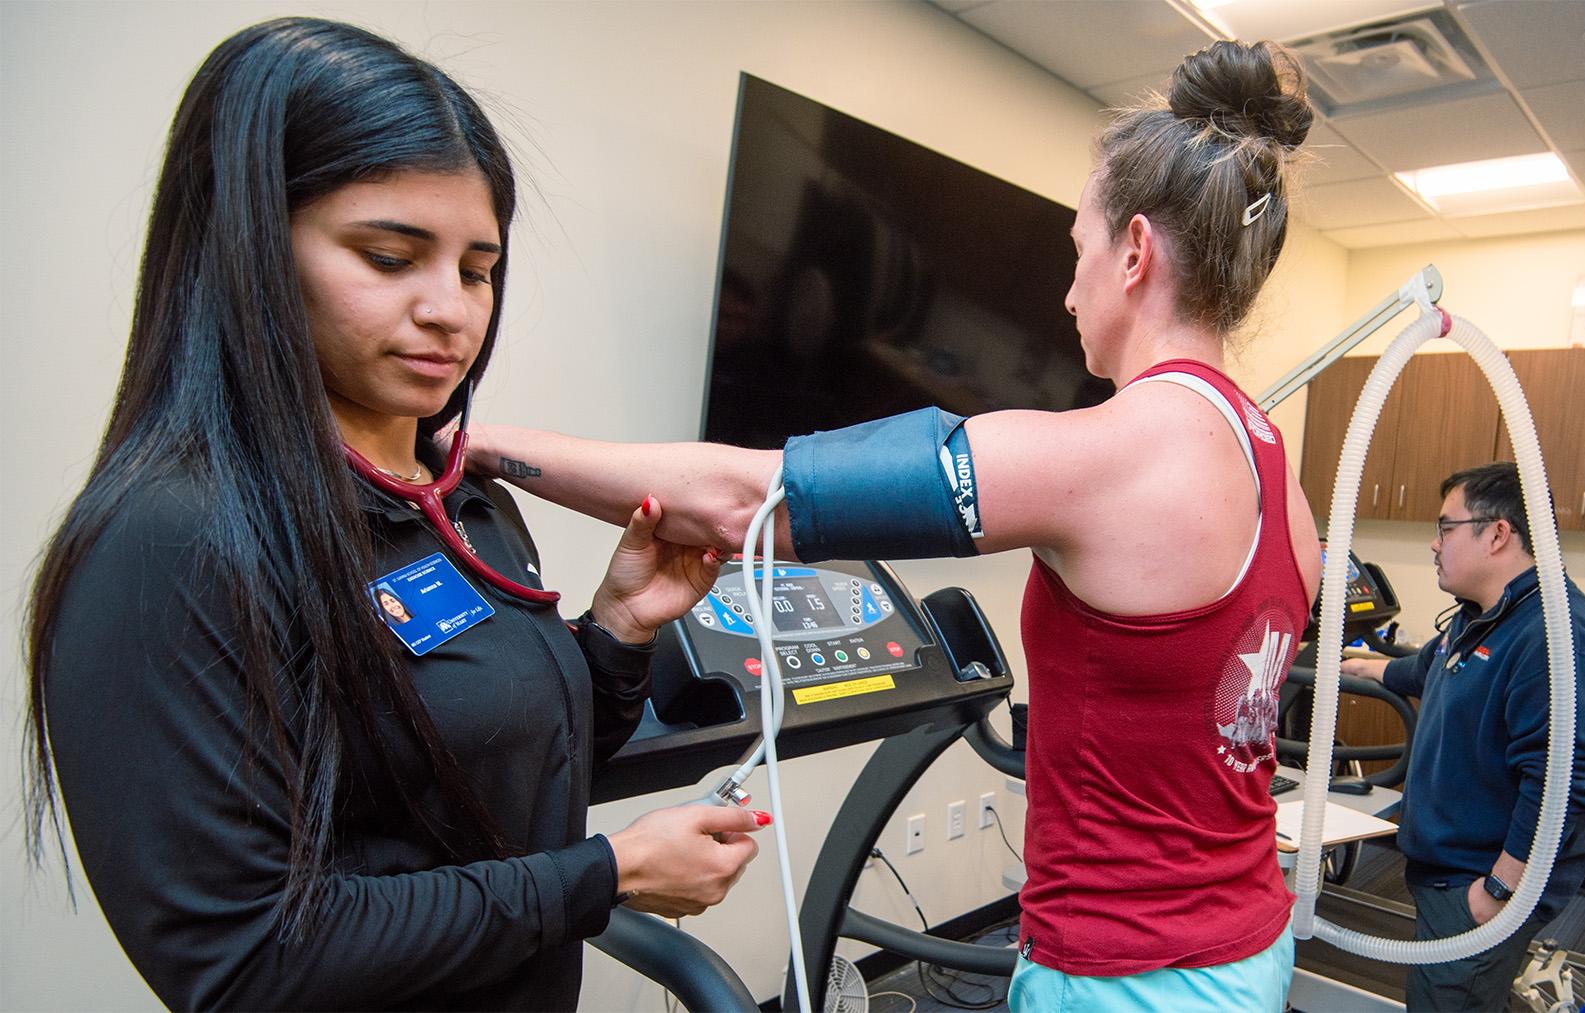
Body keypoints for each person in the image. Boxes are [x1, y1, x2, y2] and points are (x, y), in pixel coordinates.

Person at [462, 40, 1323, 1011]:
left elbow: (751, 502)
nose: (1067, 289)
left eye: (1076, 252)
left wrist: (482, 442)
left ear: (1132, 251)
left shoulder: (1114, 449)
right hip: (1249, 948)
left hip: (1126, 975)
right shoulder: (1277, 471)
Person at [21, 19, 764, 1010]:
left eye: (476, 267)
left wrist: (619, 631)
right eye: (388, 256)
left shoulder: (464, 498)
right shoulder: (172, 537)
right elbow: (248, 962)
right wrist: (610, 873)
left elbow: (508, 783)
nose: (451, 310)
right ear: (247, 248)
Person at [1341, 462, 1585, 1012]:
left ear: (1497, 534)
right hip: (1449, 869)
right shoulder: (1485, 615)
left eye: (1446, 528)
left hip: (1481, 884)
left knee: (1450, 1002)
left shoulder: (1555, 636)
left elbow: (1564, 784)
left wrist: (1498, 891)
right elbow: (1437, 665)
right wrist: (1373, 669)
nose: (1434, 543)